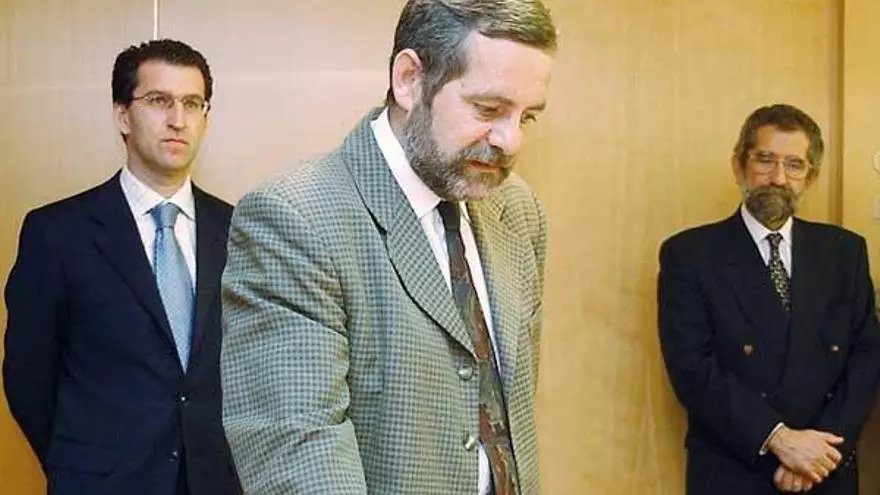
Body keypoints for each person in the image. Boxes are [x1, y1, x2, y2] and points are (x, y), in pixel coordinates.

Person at [220, 0, 556, 493]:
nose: (510, 141)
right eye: (488, 109)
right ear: (409, 80)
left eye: (527, 118)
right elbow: (300, 457)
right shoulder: (297, 219)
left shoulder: (518, 211)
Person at [3, 39, 240, 495]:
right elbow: (28, 378)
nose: (178, 119)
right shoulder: (57, 233)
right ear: (122, 116)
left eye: (192, 103)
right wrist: (82, 465)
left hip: (213, 482)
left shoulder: (237, 230)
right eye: (159, 101)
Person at [658, 103, 880, 494]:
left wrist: (818, 455)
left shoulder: (844, 252)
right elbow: (693, 369)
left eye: (794, 165)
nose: (778, 177)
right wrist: (779, 439)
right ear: (738, 165)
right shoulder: (690, 254)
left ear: (811, 177)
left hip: (827, 470)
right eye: (765, 160)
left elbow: (866, 357)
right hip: (735, 470)